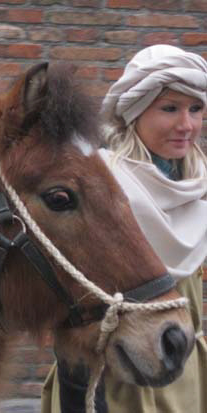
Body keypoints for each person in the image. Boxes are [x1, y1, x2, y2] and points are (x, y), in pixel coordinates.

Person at [41, 44, 207, 413]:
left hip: (187, 373)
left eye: (196, 109)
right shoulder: (102, 185)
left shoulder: (199, 186)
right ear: (135, 112)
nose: (187, 125)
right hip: (114, 379)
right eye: (170, 108)